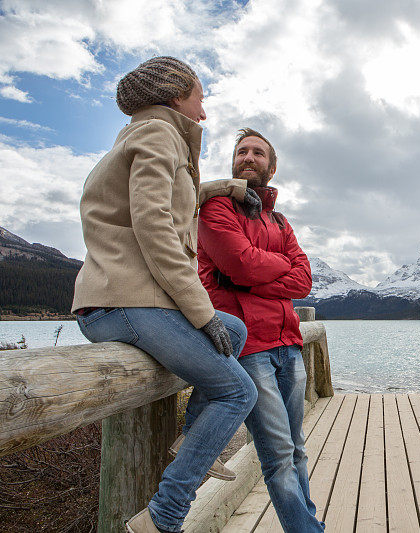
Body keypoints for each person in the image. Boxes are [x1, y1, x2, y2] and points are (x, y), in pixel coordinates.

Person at [71, 56, 262, 533]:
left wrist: (231, 188)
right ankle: (164, 517)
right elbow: (154, 224)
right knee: (238, 390)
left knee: (235, 328)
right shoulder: (160, 136)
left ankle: (189, 441)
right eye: (199, 95)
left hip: (124, 300)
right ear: (177, 96)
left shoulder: (147, 136)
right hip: (124, 302)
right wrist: (201, 313)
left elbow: (177, 196)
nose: (204, 108)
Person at [191, 128, 322, 532]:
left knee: (297, 448)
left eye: (258, 153)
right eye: (242, 151)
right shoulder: (215, 209)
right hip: (249, 348)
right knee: (279, 455)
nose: (248, 157)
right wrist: (255, 272)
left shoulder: (279, 220)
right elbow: (239, 265)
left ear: (272, 165)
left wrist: (250, 277)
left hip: (289, 345)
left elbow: (304, 281)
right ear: (233, 161)